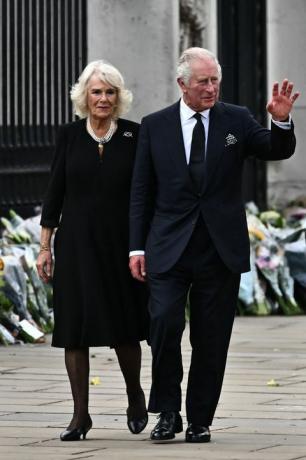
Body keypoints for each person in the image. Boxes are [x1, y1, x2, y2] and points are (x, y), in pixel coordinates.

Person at [129, 47, 299, 443]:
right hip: (168, 246)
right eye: (203, 81)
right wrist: (136, 248)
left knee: (211, 336)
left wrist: (280, 120)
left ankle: (200, 418)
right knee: (164, 324)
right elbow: (141, 192)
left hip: (218, 249)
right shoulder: (155, 126)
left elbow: (276, 149)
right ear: (182, 84)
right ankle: (167, 412)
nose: (210, 88)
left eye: (214, 81)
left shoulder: (235, 119)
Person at [36, 60, 149, 441]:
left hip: (121, 245)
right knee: (74, 329)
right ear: (84, 96)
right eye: (97, 91)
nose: (103, 98)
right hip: (77, 244)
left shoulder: (135, 135)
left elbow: (147, 192)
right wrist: (45, 246)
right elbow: (55, 191)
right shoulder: (69, 135)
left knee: (123, 327)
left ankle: (135, 395)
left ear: (120, 97)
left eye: (110, 92)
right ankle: (79, 415)